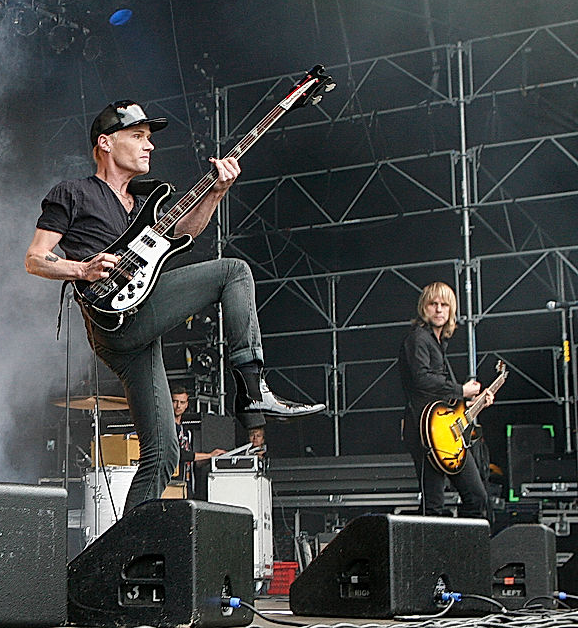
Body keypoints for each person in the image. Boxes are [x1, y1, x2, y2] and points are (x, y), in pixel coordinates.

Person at [25, 100, 324, 512]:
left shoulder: (145, 201)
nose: (149, 146)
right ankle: (253, 390)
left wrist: (216, 193)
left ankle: (127, 557)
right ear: (106, 143)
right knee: (232, 272)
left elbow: (184, 234)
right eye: (138, 136)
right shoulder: (73, 194)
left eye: (150, 138)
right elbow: (36, 258)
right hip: (111, 317)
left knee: (163, 453)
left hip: (138, 326)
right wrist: (84, 268)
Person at [397, 281, 490, 520]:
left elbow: (438, 395)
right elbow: (421, 380)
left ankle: (464, 552)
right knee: (434, 505)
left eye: (444, 305)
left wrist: (471, 404)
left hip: (443, 428)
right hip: (425, 430)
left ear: (451, 310)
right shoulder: (418, 339)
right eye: (433, 304)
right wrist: (461, 390)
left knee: (476, 497)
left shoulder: (437, 343)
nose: (439, 309)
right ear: (423, 308)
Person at [171, 386, 226, 497]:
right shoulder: (168, 428)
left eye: (182, 402)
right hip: (173, 484)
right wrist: (209, 455)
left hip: (188, 484)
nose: (178, 406)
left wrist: (213, 458)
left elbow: (191, 460)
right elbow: (179, 454)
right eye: (175, 401)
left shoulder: (186, 432)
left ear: (186, 405)